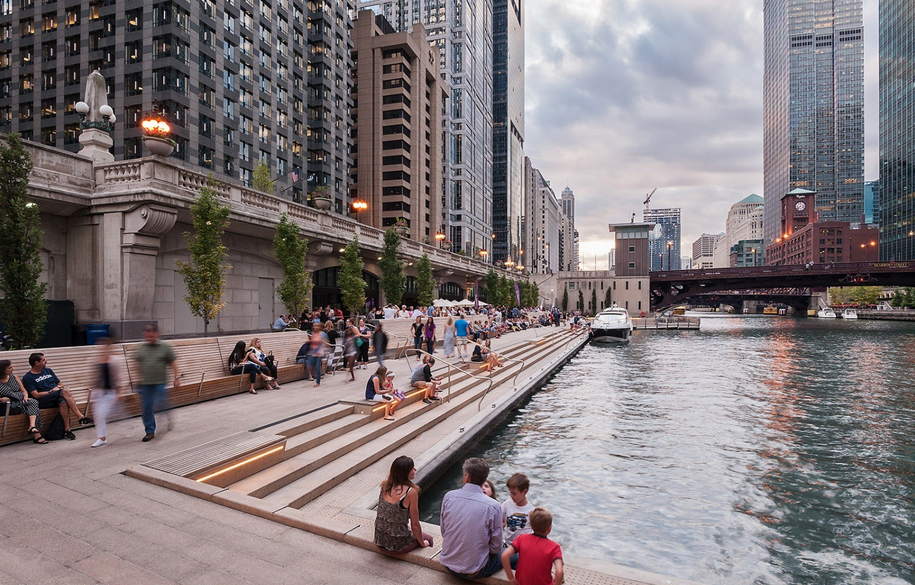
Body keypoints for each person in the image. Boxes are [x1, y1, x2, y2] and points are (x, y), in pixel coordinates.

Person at [440, 458, 504, 580]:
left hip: (447, 564)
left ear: (467, 477)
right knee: (515, 555)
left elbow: (444, 532)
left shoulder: (449, 497)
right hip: (475, 571)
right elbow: (496, 547)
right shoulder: (493, 506)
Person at [22, 352, 92, 440]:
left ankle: (67, 430)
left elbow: (60, 385)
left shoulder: (48, 371)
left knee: (63, 402)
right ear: (37, 363)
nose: (46, 361)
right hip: (44, 400)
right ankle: (80, 417)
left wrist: (57, 388)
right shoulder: (28, 377)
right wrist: (50, 392)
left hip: (56, 395)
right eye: (43, 360)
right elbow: (35, 395)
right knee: (65, 392)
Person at [374, 455, 433, 554]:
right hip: (397, 545)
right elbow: (415, 525)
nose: (415, 469)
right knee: (429, 539)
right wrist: (423, 543)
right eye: (412, 468)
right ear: (405, 473)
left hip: (380, 541)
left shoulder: (385, 484)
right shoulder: (411, 492)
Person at [135, 324, 180, 442]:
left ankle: (168, 416)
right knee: (146, 408)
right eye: (147, 337)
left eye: (151, 336)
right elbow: (137, 364)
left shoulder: (164, 347)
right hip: (145, 383)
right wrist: (137, 379)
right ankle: (150, 431)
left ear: (156, 334)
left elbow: (173, 363)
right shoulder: (141, 348)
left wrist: (176, 378)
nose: (149, 339)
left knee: (161, 403)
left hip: (160, 382)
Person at [501, 507, 563, 585]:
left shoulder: (522, 538)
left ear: (531, 526)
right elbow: (559, 571)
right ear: (549, 529)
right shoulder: (554, 547)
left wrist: (511, 579)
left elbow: (504, 555)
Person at [90, 337, 128, 447]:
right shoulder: (95, 360)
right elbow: (92, 377)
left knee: (104, 414)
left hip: (111, 391)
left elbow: (120, 376)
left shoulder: (115, 360)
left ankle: (127, 423)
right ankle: (102, 438)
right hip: (99, 392)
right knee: (98, 416)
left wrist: (121, 391)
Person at [0, 359, 46, 443]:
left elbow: (24, 391)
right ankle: (36, 434)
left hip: (21, 401)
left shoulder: (14, 377)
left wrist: (25, 396)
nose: (12, 369)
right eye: (10, 368)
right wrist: (1, 399)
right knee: (33, 409)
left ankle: (32, 426)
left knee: (33, 402)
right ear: (2, 370)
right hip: (8, 406)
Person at [502, 473, 535, 569]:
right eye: (510, 492)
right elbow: (498, 517)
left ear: (524, 492)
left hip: (523, 550)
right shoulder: (507, 504)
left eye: (514, 493)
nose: (511, 496)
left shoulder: (531, 511)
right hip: (508, 545)